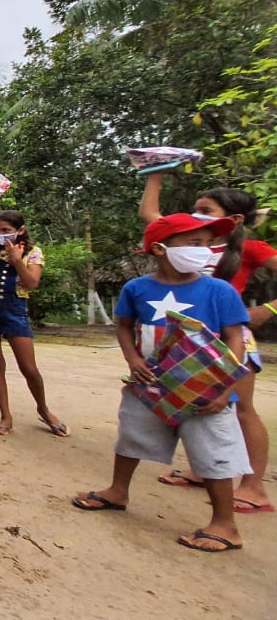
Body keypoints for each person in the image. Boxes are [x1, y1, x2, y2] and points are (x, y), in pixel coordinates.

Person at [72, 214, 251, 552]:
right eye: (194, 243)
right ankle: (117, 491)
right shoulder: (136, 289)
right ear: (159, 248)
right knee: (131, 435)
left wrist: (226, 387)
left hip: (205, 391)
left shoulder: (219, 291)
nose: (204, 250)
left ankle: (226, 524)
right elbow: (124, 326)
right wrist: (133, 360)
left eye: (206, 244)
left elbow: (235, 339)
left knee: (213, 452)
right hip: (150, 383)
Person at [140, 175, 276, 513]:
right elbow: (150, 215)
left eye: (205, 210)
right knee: (193, 404)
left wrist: (268, 309)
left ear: (234, 220)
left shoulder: (250, 249)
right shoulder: (188, 243)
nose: (196, 215)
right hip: (190, 344)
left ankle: (254, 486)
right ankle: (204, 471)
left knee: (240, 410)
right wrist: (157, 173)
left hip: (231, 339)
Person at [0, 210, 68, 438]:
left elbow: (32, 283)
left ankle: (43, 409)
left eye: (6, 231)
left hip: (15, 310)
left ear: (20, 231)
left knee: (29, 368)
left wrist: (16, 261)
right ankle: (5, 415)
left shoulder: (33, 252)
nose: (0, 235)